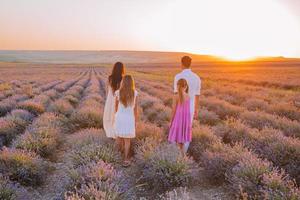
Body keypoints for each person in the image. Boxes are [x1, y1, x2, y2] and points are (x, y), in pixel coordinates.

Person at [173, 56, 201, 153]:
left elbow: (176, 95)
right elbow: (197, 95)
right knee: (187, 131)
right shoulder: (197, 77)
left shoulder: (178, 76)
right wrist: (196, 109)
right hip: (191, 108)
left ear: (181, 63)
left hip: (180, 109)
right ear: (190, 64)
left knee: (178, 131)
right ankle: (183, 154)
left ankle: (179, 154)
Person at [114, 75, 138, 167]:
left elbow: (115, 108)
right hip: (129, 118)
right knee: (127, 141)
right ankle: (126, 159)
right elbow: (135, 109)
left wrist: (115, 117)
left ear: (122, 82)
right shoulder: (135, 93)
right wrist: (135, 121)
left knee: (119, 138)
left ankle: (116, 157)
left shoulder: (118, 92)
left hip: (120, 117)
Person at [168, 79, 192, 155]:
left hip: (178, 119)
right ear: (186, 86)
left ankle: (180, 157)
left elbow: (173, 110)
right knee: (182, 139)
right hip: (186, 120)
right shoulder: (188, 96)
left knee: (178, 138)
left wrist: (171, 121)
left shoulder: (176, 96)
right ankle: (182, 156)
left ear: (177, 86)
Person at [103, 62, 125, 139]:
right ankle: (118, 134)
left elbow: (108, 90)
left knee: (109, 116)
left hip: (110, 98)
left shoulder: (110, 78)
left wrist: (108, 99)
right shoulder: (123, 78)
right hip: (119, 99)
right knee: (117, 116)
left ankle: (111, 133)